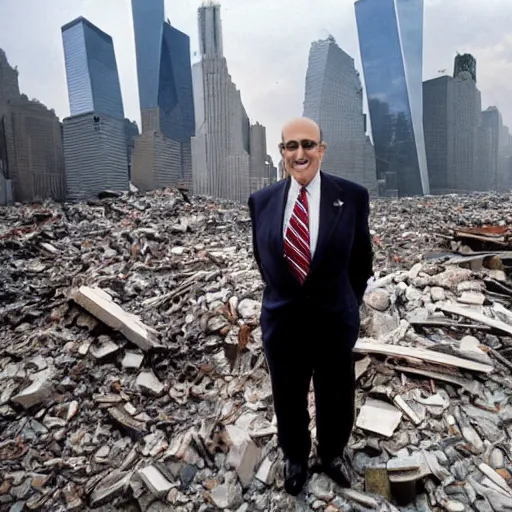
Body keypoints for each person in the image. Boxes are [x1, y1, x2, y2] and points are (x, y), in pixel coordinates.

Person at [248, 117, 373, 496]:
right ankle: (296, 457)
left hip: (333, 320)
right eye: (291, 146)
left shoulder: (351, 196)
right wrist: (280, 300)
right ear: (282, 152)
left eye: (307, 145)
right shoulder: (262, 202)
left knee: (336, 394)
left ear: (321, 149)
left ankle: (332, 453)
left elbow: (361, 261)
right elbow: (263, 260)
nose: (299, 154)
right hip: (283, 323)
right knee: (287, 397)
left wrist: (347, 304)